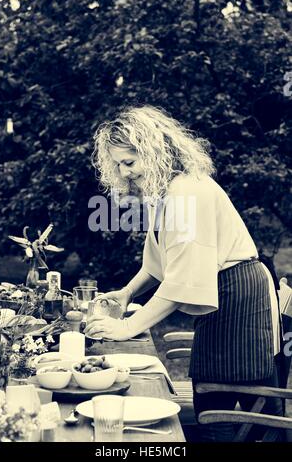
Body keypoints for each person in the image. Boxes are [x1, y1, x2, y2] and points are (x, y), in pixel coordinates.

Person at [86, 105, 283, 441]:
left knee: (222, 397)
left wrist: (126, 327)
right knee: (210, 391)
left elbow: (182, 281)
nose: (124, 172)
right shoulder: (167, 193)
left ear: (153, 151)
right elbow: (162, 263)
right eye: (118, 164)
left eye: (129, 162)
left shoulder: (187, 192)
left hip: (238, 298)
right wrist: (127, 293)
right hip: (225, 292)